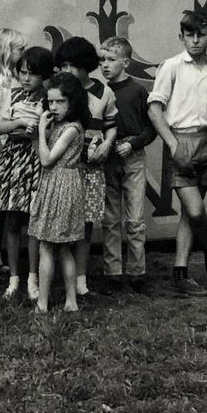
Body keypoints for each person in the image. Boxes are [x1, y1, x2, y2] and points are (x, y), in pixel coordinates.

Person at [148, 8, 207, 296]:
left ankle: (180, 271)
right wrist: (172, 144)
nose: (196, 41)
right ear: (181, 37)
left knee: (189, 213)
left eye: (202, 35)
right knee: (195, 210)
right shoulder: (171, 67)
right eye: (190, 35)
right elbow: (155, 108)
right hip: (179, 140)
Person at [55, 37, 117, 300]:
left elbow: (112, 125)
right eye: (63, 65)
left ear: (86, 65)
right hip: (65, 169)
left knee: (86, 225)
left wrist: (108, 144)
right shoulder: (58, 92)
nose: (67, 71)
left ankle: (81, 281)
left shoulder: (104, 93)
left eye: (73, 65)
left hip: (91, 169)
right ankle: (59, 278)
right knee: (62, 223)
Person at [0, 46, 50, 301]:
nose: (26, 78)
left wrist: (37, 131)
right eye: (22, 72)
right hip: (15, 160)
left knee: (35, 223)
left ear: (44, 75)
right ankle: (14, 278)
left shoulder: (50, 98)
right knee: (13, 221)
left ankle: (33, 278)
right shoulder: (14, 97)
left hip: (38, 160)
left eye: (32, 74)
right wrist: (17, 124)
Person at [100, 36, 155, 294]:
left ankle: (137, 273)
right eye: (102, 60)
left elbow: (151, 129)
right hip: (108, 158)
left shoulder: (137, 91)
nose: (105, 65)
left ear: (126, 62)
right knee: (110, 218)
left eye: (111, 60)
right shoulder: (101, 92)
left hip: (132, 157)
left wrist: (133, 144)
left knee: (134, 218)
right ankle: (112, 273)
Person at [30, 72, 88, 313]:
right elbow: (40, 151)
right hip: (54, 183)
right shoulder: (60, 125)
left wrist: (42, 129)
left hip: (62, 185)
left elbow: (46, 159)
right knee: (63, 247)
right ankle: (70, 301)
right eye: (50, 102)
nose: (53, 107)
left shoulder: (72, 128)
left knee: (47, 245)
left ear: (72, 102)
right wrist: (37, 134)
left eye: (59, 102)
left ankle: (43, 303)